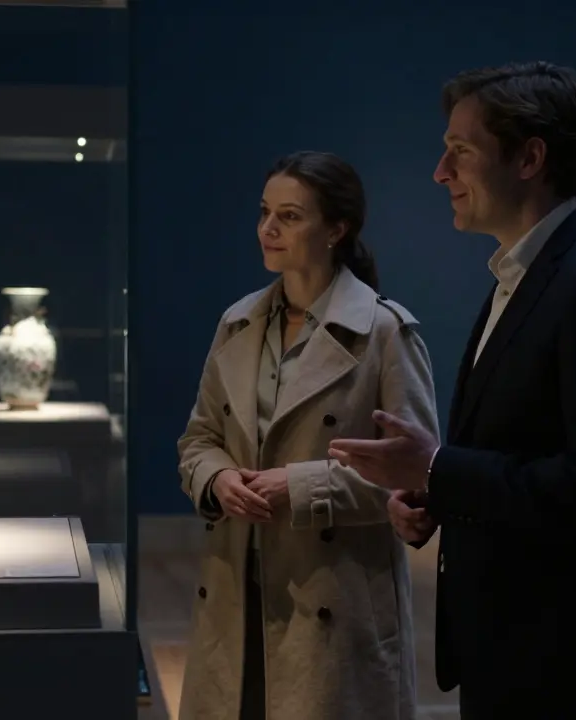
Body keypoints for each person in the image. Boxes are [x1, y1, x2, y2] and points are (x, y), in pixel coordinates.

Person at [328, 62, 576, 719]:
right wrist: (437, 491)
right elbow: (527, 449)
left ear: (529, 158)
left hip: (573, 665)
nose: (441, 172)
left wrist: (437, 469)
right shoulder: (526, 274)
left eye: (460, 151)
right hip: (519, 651)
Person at [176, 150, 440, 720]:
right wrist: (217, 480)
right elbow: (198, 440)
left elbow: (417, 478)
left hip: (335, 605)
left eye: (290, 216)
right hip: (235, 591)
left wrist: (297, 488)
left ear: (336, 229)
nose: (267, 229)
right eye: (264, 212)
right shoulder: (237, 323)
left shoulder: (385, 333)